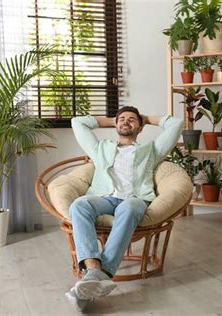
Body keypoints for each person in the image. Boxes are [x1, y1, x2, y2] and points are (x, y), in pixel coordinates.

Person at [65, 106, 183, 311]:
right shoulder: (100, 148)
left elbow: (176, 124)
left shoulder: (151, 150)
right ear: (115, 124)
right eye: (122, 119)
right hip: (104, 198)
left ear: (140, 127)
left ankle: (96, 276)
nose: (126, 121)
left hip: (135, 199)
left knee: (128, 208)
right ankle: (95, 271)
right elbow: (78, 122)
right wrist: (113, 120)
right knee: (79, 205)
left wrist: (145, 117)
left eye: (132, 120)